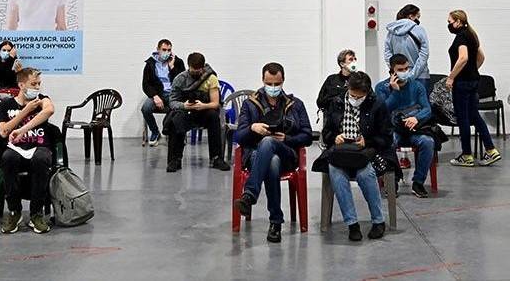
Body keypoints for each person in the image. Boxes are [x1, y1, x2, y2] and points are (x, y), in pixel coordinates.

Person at [233, 63, 313, 243]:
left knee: (270, 144)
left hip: (287, 154)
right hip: (255, 156)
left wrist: (287, 139)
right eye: (270, 83)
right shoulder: (249, 104)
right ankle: (275, 222)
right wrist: (253, 128)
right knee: (272, 162)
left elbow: (308, 135)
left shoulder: (295, 104)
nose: (273, 88)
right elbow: (238, 136)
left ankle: (250, 195)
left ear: (283, 81)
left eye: (277, 84)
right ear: (263, 80)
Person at [311, 71, 393, 241]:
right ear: (348, 88)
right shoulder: (337, 102)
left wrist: (367, 141)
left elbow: (386, 137)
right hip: (340, 152)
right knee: (336, 173)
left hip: (366, 153)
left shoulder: (377, 104)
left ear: (367, 92)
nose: (356, 99)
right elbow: (326, 133)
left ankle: (378, 221)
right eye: (354, 95)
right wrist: (335, 137)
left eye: (360, 96)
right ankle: (352, 223)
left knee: (366, 174)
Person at [0, 68, 60, 233]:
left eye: (39, 84)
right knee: (8, 159)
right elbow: (3, 131)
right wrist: (25, 111)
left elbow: (49, 110)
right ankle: (14, 211)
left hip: (39, 145)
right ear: (21, 84)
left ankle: (36, 213)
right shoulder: (6, 104)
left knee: (41, 159)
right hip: (16, 147)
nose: (37, 87)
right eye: (33, 84)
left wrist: (22, 130)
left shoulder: (42, 100)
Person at [446, 10, 502, 167]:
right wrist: (472, 70)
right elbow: (481, 57)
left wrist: (452, 76)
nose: (449, 25)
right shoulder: (472, 35)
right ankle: (491, 150)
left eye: (450, 21)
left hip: (462, 83)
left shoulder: (462, 36)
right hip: (473, 81)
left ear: (458, 21)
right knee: (474, 115)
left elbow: (463, 58)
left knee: (463, 119)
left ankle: (466, 155)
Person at [375, 54, 435, 198]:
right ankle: (392, 181)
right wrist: (395, 92)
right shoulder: (381, 87)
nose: (404, 71)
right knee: (388, 143)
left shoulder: (417, 86)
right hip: (393, 130)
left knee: (428, 142)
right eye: (400, 69)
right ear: (392, 70)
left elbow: (427, 109)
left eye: (406, 68)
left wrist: (416, 117)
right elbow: (382, 112)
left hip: (414, 129)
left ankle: (418, 182)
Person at [164, 52, 230, 172]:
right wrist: (184, 106)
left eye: (199, 70)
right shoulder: (180, 79)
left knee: (214, 116)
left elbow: (215, 103)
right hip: (186, 111)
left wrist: (203, 106)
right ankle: (175, 159)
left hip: (204, 111)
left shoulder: (211, 78)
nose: (196, 72)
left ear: (203, 67)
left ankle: (216, 158)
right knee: (175, 120)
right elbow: (172, 102)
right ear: (188, 66)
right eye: (193, 69)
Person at [141, 39, 186, 147]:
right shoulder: (150, 64)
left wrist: (172, 67)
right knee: (145, 108)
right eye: (164, 50)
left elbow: (183, 81)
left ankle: (173, 133)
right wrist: (155, 96)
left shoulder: (178, 62)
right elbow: (146, 84)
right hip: (158, 93)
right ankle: (155, 132)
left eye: (169, 50)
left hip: (173, 94)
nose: (166, 52)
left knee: (178, 109)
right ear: (158, 49)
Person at [384, 4, 430, 91]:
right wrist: (412, 74)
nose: (418, 20)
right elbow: (424, 54)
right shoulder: (419, 29)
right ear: (411, 16)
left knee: (400, 103)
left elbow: (387, 53)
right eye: (418, 17)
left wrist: (395, 69)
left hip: (398, 76)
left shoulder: (391, 31)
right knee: (422, 103)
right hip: (421, 76)